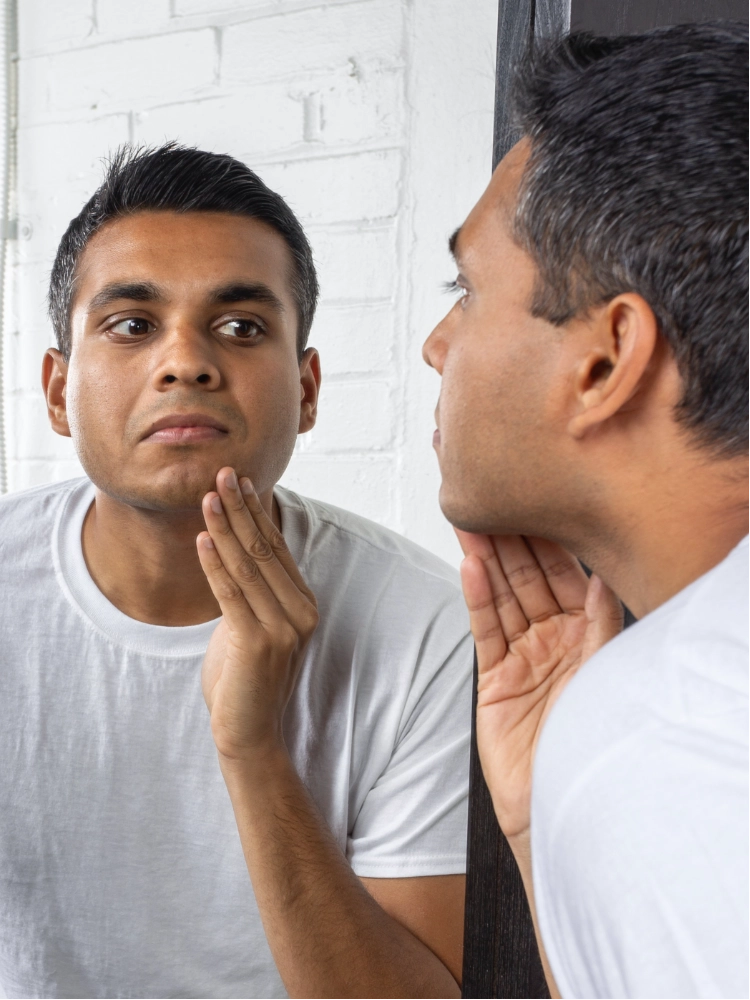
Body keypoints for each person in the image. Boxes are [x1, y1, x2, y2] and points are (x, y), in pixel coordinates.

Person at [0, 144, 472, 1000]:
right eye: (132, 325)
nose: (186, 362)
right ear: (58, 393)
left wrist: (252, 748)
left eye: (242, 327)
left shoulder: (427, 629)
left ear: (308, 389)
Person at [423, 21, 749, 1000]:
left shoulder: (679, 727)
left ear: (605, 362)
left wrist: (613, 760)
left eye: (467, 289)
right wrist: (550, 828)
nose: (437, 344)